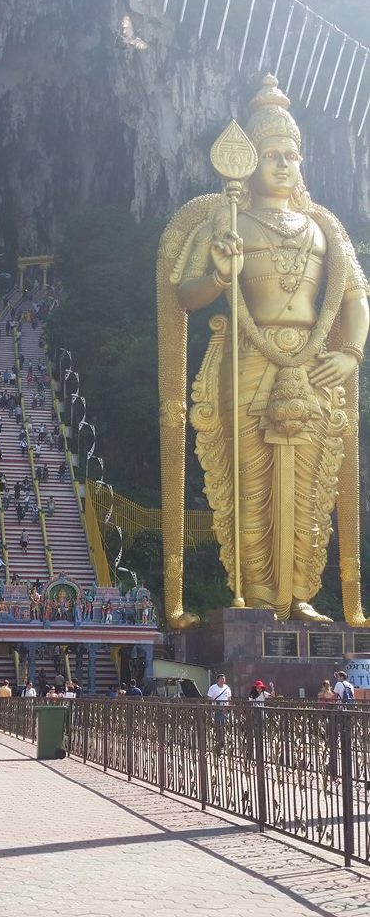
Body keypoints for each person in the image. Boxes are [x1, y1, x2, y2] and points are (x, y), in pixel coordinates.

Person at [158, 74, 370, 628]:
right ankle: (253, 597)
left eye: (290, 155)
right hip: (246, 361)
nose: (280, 163)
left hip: (314, 363)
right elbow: (184, 293)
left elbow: (356, 295)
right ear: (247, 161)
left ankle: (299, 593)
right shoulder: (225, 220)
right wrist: (220, 272)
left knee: (309, 483)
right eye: (269, 154)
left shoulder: (325, 226)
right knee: (249, 483)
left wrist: (350, 352)